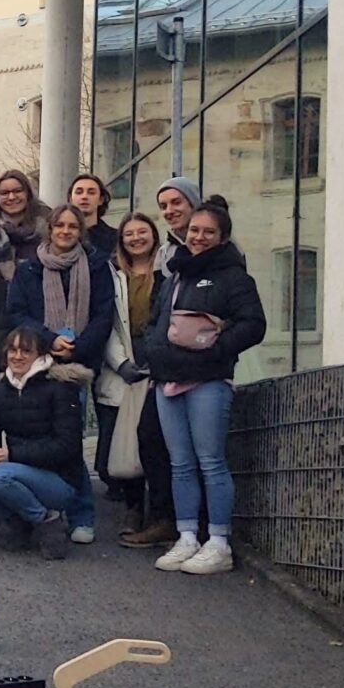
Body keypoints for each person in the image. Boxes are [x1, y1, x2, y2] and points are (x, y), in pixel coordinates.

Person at [141, 198, 267, 576]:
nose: (199, 237)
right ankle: (186, 536)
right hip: (169, 378)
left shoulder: (234, 278)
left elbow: (253, 324)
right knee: (180, 463)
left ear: (222, 237)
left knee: (210, 461)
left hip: (209, 380)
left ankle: (218, 541)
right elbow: (155, 321)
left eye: (208, 232)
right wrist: (155, 353)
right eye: (194, 230)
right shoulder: (175, 275)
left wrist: (216, 349)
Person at [0, 323, 93, 558]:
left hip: (60, 480)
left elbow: (67, 447)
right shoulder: (1, 389)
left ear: (41, 355)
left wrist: (12, 455)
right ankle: (19, 522)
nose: (17, 357)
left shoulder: (61, 388)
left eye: (26, 351)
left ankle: (47, 521)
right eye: (12, 350)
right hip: (18, 469)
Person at [7, 201, 117, 380]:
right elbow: (17, 313)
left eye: (72, 226)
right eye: (59, 225)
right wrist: (50, 340)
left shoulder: (97, 266)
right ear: (50, 229)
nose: (65, 231)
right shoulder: (28, 269)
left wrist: (76, 348)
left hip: (84, 363)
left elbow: (103, 315)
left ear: (80, 232)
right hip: (37, 362)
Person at [97, 209, 162, 504]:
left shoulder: (167, 272)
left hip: (159, 361)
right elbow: (106, 322)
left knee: (155, 440)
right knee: (123, 442)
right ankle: (132, 508)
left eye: (142, 232)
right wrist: (121, 362)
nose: (136, 239)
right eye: (129, 234)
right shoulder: (112, 275)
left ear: (153, 235)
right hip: (122, 363)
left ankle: (160, 509)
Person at [0, 169, 53, 375]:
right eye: (4, 193)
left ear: (28, 193)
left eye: (17, 191)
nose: (11, 197)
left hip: (36, 319)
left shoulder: (49, 230)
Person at [69, 172, 121, 260]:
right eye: (79, 192)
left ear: (101, 200)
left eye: (91, 192)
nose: (84, 197)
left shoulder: (115, 239)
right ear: (70, 199)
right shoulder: (58, 236)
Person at [154, 176, 202, 267]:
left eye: (176, 203)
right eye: (163, 206)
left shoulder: (216, 244)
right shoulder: (163, 254)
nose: (169, 211)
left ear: (193, 203)